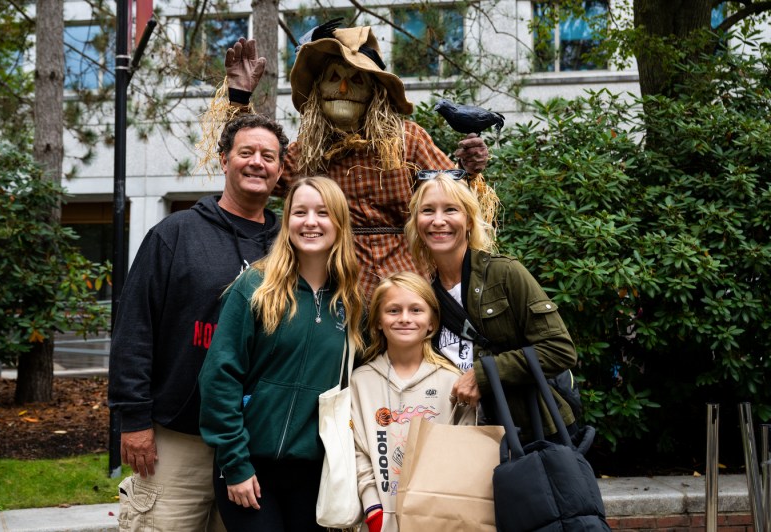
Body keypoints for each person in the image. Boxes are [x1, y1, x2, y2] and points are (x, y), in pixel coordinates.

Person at [212, 25, 496, 300]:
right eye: (334, 77)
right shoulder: (306, 153)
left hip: (409, 292)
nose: (344, 87)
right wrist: (239, 100)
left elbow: (451, 198)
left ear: (374, 91)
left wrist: (468, 171)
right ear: (318, 90)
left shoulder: (408, 140)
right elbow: (255, 167)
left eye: (357, 79)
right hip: (337, 294)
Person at [108, 113, 289, 531]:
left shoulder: (288, 245)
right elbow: (135, 330)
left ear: (280, 170)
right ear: (224, 160)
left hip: (253, 446)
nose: (257, 162)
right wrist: (133, 420)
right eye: (246, 153)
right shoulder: (175, 234)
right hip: (177, 439)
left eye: (268, 156)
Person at [198, 176, 365, 532]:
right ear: (287, 220)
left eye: (323, 213)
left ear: (339, 222)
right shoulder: (256, 288)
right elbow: (219, 377)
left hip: (316, 474)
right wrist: (236, 464)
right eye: (300, 212)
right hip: (250, 466)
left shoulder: (351, 302)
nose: (310, 222)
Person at [404, 172, 579, 440]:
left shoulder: (504, 274)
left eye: (450, 209)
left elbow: (559, 350)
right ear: (417, 223)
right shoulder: (424, 295)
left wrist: (484, 373)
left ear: (470, 220)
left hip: (524, 435)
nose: (438, 221)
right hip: (459, 435)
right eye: (428, 211)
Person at [351, 271, 475, 532]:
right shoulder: (360, 382)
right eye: (393, 311)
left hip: (439, 517)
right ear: (377, 322)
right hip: (379, 518)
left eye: (416, 310)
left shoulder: (452, 381)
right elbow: (356, 449)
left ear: (432, 322)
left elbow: (465, 451)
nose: (405, 319)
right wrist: (372, 505)